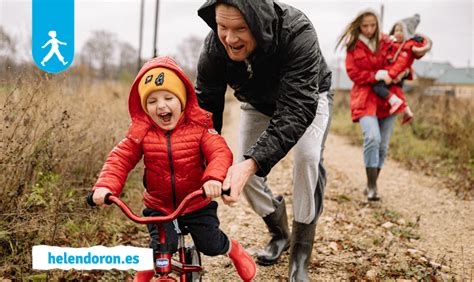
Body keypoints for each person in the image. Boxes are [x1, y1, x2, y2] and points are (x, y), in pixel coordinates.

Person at [195, 1, 332, 280]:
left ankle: (301, 254)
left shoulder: (297, 31)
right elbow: (205, 115)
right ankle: (280, 233)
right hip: (256, 103)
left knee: (306, 159)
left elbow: (296, 109)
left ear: (258, 23)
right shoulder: (213, 49)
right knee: (242, 169)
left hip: (308, 98)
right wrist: (203, 165)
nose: (230, 39)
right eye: (222, 27)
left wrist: (252, 163)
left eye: (240, 29)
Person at [90, 56, 256, 282]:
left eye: (169, 98)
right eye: (152, 101)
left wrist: (214, 178)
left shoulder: (199, 128)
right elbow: (119, 159)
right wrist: (105, 187)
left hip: (197, 201)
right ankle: (147, 272)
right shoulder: (141, 134)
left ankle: (233, 249)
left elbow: (220, 152)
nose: (161, 106)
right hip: (160, 206)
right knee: (160, 248)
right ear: (144, 107)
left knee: (210, 243)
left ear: (183, 100)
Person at [336, 10, 430, 201]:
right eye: (365, 26)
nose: (369, 29)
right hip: (365, 98)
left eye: (373, 25)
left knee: (383, 146)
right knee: (372, 138)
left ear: (377, 24)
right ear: (359, 26)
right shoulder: (353, 46)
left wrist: (424, 44)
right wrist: (376, 75)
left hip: (389, 99)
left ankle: (373, 183)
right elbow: (353, 74)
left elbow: (407, 50)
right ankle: (371, 187)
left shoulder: (387, 40)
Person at [372, 13, 432, 123]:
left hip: (393, 75)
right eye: (396, 30)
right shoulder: (394, 45)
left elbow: (400, 63)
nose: (398, 33)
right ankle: (407, 110)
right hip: (393, 74)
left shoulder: (405, 48)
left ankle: (394, 102)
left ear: (407, 33)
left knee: (378, 87)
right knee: (397, 91)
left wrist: (390, 75)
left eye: (401, 30)